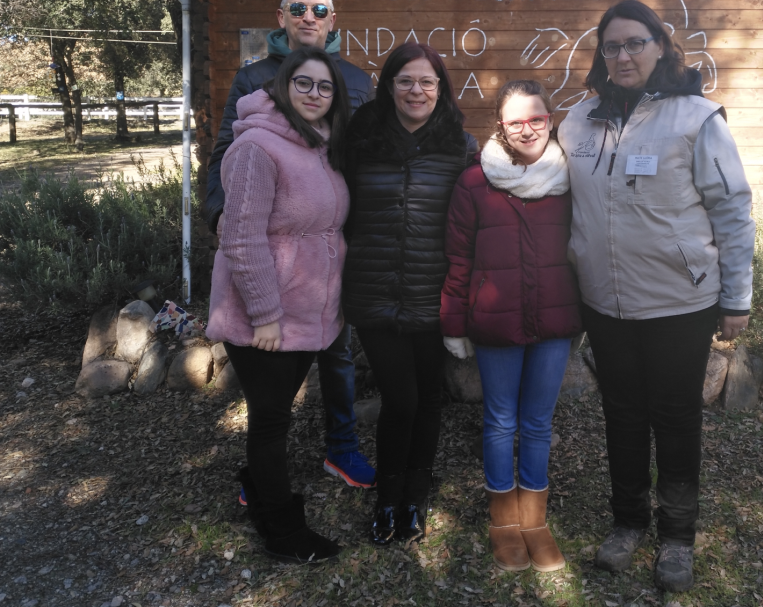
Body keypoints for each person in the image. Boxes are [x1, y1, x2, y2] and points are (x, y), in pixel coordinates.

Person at [557, 0, 755, 592]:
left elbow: (732, 209)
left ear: (661, 46)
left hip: (679, 303)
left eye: (635, 43)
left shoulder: (697, 119)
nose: (623, 56)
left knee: (674, 417)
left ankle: (677, 536)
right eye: (611, 46)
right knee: (621, 413)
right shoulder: (577, 123)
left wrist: (736, 298)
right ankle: (627, 522)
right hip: (605, 302)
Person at [206, 0, 376, 490]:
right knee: (273, 379)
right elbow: (226, 151)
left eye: (319, 9)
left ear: (332, 20)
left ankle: (341, 447)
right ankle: (264, 474)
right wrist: (226, 221)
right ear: (281, 17)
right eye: (297, 7)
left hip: (333, 248)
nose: (308, 16)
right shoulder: (254, 77)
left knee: (337, 353)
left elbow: (368, 155)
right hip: (277, 255)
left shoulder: (355, 80)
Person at [206, 46, 351, 563]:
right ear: (283, 87)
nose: (314, 93)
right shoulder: (256, 148)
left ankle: (256, 486)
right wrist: (265, 315)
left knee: (276, 413)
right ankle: (285, 533)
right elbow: (241, 237)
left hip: (307, 309)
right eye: (303, 83)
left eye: (325, 86)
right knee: (270, 422)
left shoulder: (321, 143)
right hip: (264, 315)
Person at [440, 80, 581, 572]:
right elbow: (458, 258)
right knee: (500, 421)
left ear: (550, 120)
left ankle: (534, 521)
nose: (527, 129)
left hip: (555, 318)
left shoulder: (570, 178)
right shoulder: (474, 182)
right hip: (494, 321)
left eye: (536, 118)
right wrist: (453, 323)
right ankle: (503, 521)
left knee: (538, 422)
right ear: (501, 126)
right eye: (515, 121)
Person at [342, 43, 478, 546]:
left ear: (440, 89)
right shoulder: (362, 139)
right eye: (405, 80)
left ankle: (416, 493)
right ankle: (388, 495)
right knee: (400, 399)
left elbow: (476, 217)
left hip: (433, 292)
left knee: (429, 400)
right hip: (374, 289)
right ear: (389, 86)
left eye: (426, 81)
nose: (415, 90)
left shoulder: (459, 145)